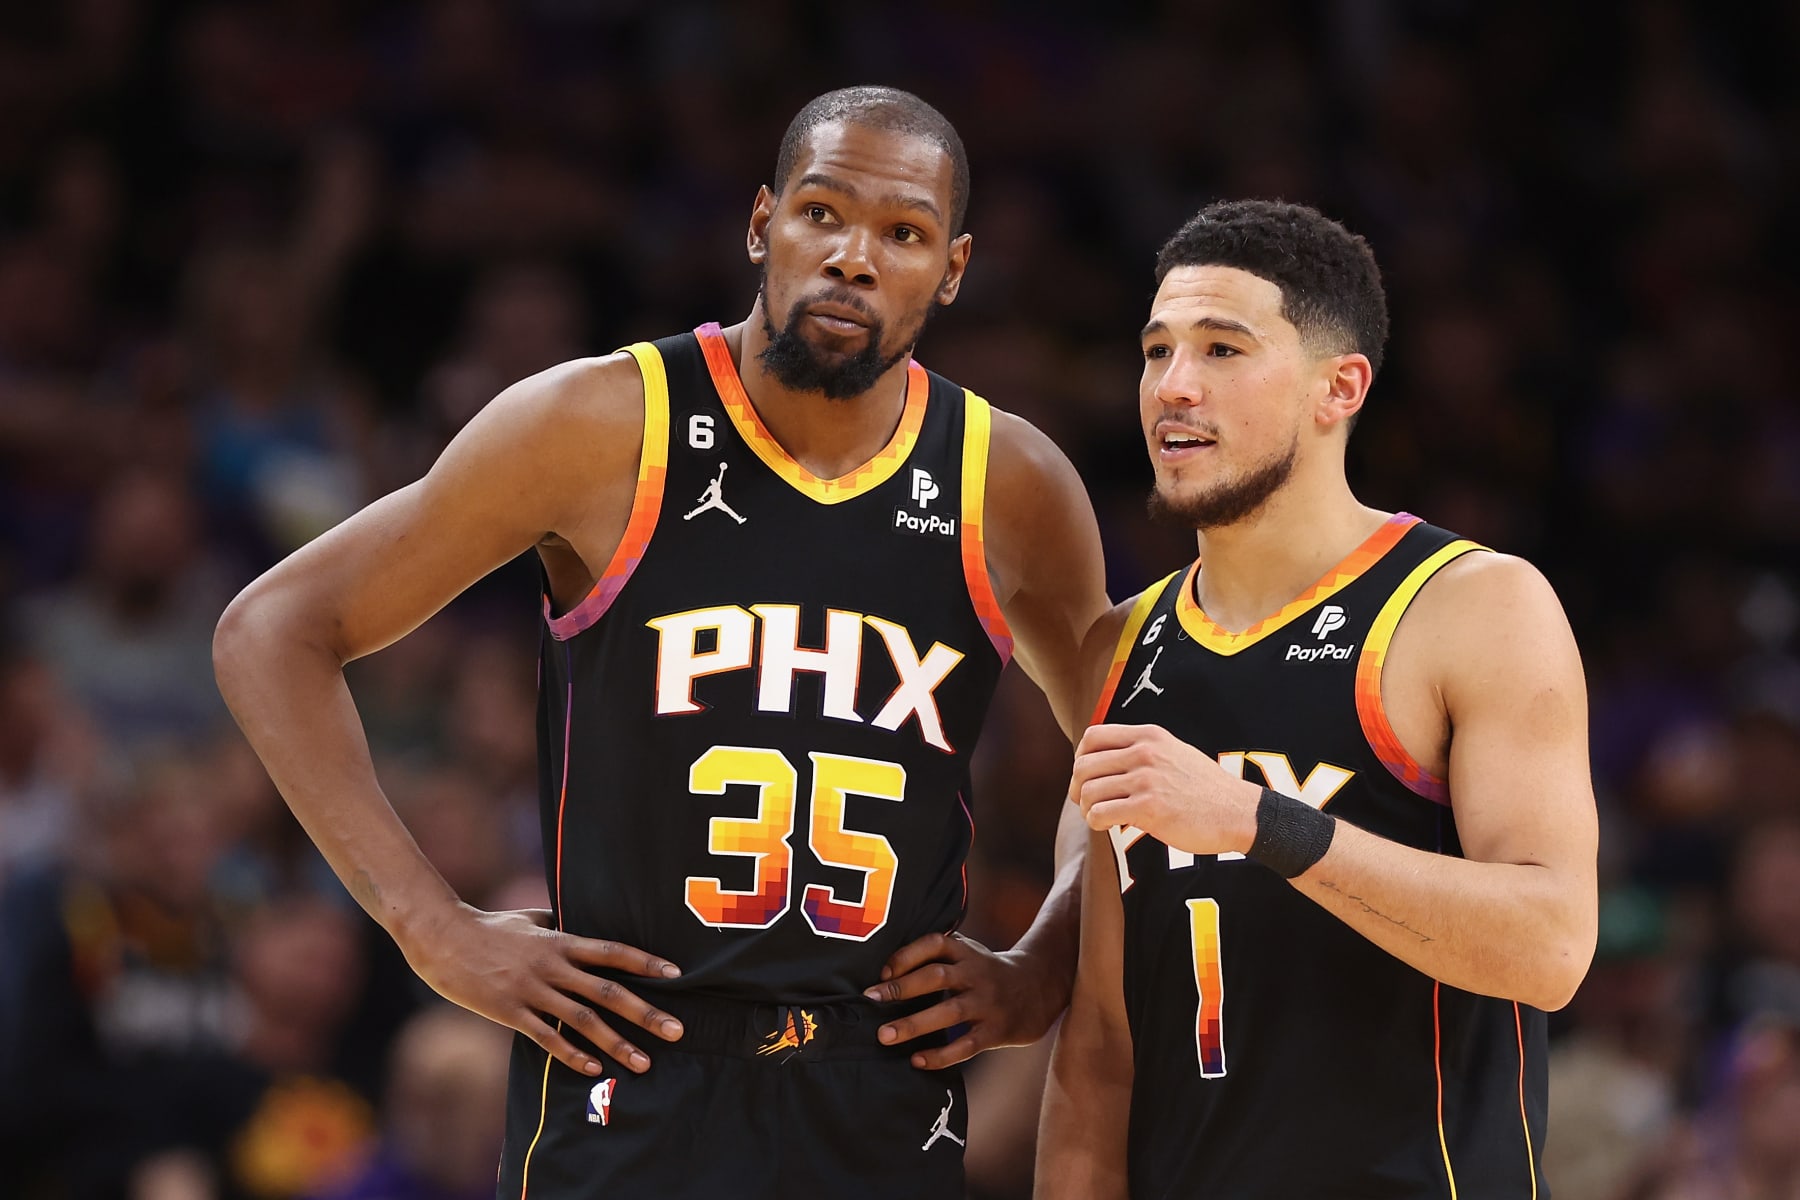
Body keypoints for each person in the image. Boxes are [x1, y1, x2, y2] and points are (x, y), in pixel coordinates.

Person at [214, 87, 1107, 1198]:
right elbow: (273, 630)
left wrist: (1045, 960)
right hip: (630, 1072)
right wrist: (430, 928)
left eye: (904, 233)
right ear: (760, 224)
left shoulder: (1010, 483)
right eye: (821, 215)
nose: (853, 258)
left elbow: (1127, 754)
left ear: (955, 267)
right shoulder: (601, 424)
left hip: (877, 1091)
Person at [1037, 200, 1597, 1198]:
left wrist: (1261, 822)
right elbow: (1103, 1053)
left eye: (1221, 349)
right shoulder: (1118, 651)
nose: (1174, 387)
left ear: (1339, 387)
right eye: (1157, 350)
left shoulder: (1473, 605)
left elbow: (1551, 945)